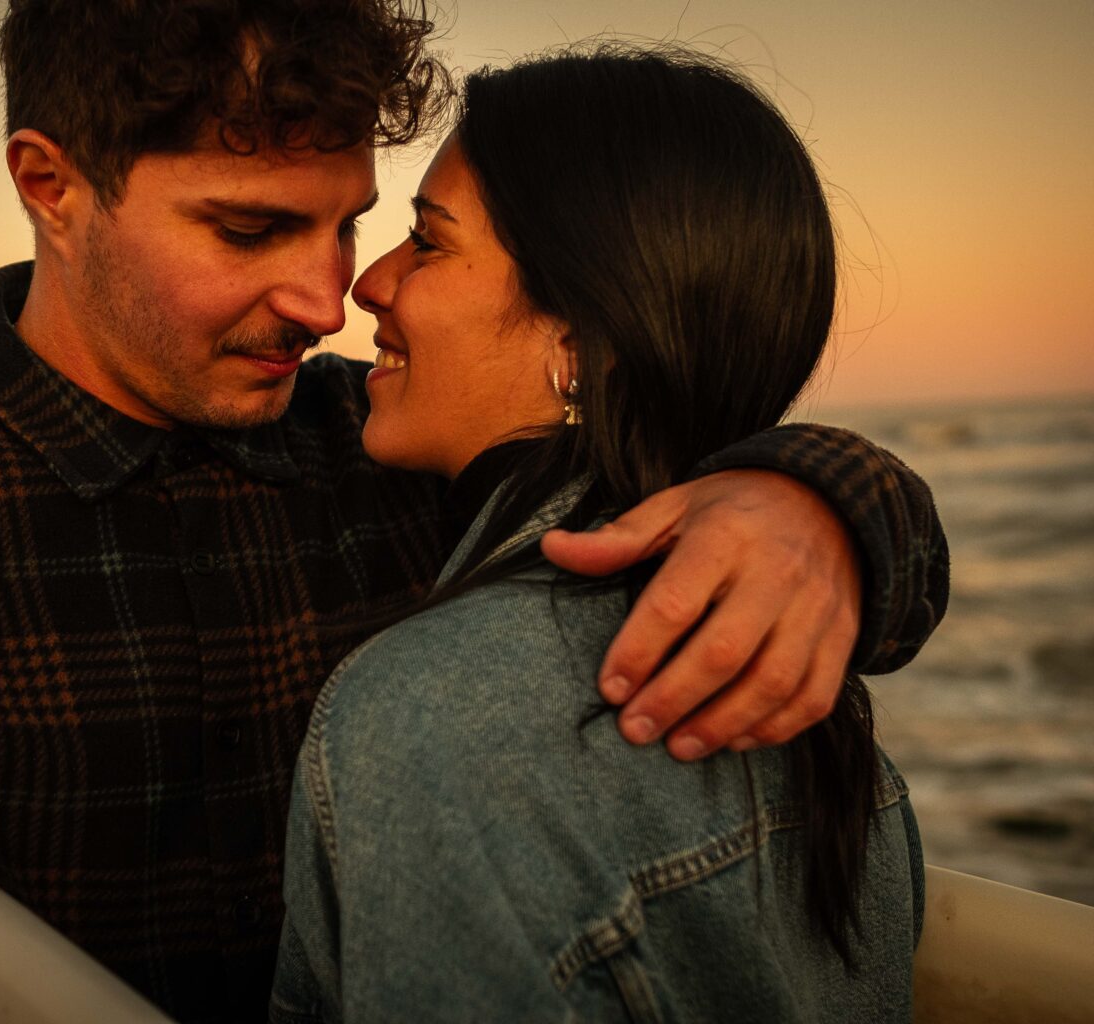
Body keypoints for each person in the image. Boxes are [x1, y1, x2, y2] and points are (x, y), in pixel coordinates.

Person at [0, 4, 945, 1022]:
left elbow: (642, 436)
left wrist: (818, 501)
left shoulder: (392, 450)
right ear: (51, 185)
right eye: (248, 230)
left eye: (348, 222)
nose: (327, 297)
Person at [271, 45, 928, 1023]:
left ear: (577, 339)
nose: (366, 285)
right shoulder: (822, 703)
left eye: (428, 243)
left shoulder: (427, 713)